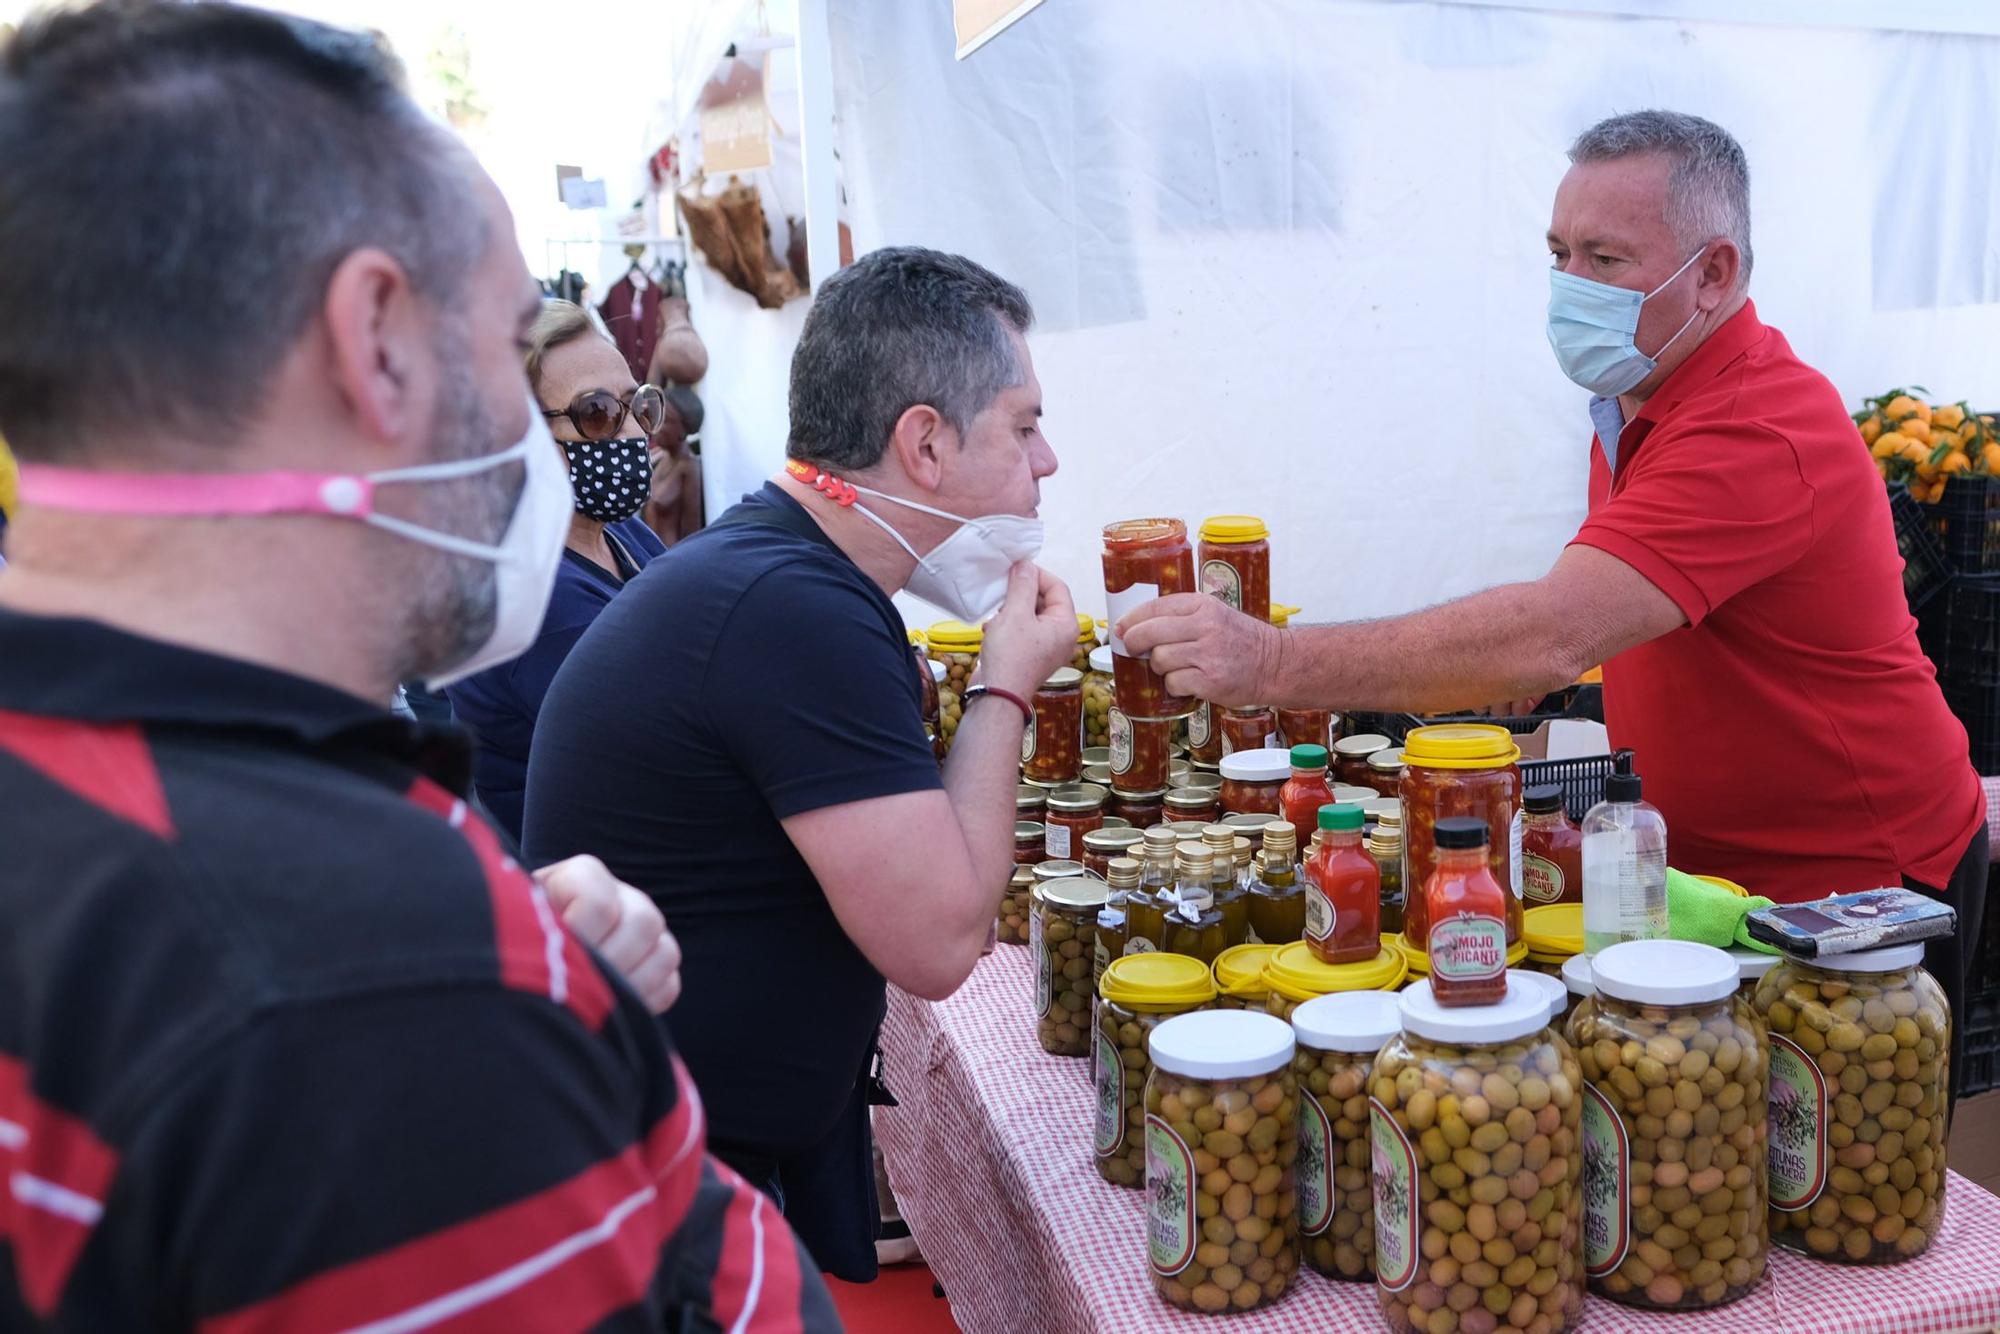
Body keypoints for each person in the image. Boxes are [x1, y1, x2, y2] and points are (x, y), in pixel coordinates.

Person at [0, 5, 837, 1329]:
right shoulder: (360, 979)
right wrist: (470, 994)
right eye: (509, 342)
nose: (537, 433)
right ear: (376, 339)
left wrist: (527, 1009)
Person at [1121, 109, 1987, 1093]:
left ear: (1710, 273)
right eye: (1556, 251)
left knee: (1830, 1201)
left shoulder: (1758, 422)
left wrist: (1269, 661)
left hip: (1851, 891)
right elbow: (1615, 612)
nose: (1568, 283)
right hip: (1707, 878)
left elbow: (1551, 630)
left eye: (1604, 257)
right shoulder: (1635, 401)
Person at [525, 246, 1077, 1279]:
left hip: (685, 1146)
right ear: (923, 441)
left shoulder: (775, 569)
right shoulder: (792, 611)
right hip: (665, 1191)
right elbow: (941, 937)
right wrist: (1005, 682)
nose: (1045, 460)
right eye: (1023, 423)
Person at [445, 299, 669, 844]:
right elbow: (671, 747)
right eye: (596, 413)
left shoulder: (622, 535)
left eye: (638, 405)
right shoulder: (534, 594)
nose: (633, 435)